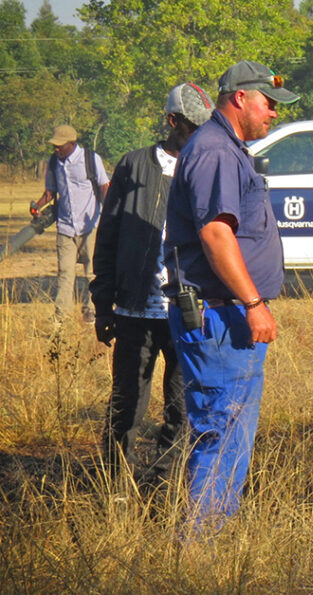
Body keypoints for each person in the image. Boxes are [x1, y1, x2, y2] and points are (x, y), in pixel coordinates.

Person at [163, 61, 298, 529]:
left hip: (227, 318)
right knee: (222, 431)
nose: (274, 114)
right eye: (268, 104)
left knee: (231, 430)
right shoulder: (217, 150)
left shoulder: (226, 147)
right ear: (240, 97)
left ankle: (211, 533)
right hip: (221, 317)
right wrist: (254, 304)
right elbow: (217, 235)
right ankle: (200, 544)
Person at [90, 83, 214, 485]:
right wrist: (103, 303)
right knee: (126, 405)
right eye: (191, 126)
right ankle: (115, 485)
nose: (198, 134)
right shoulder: (134, 165)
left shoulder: (208, 166)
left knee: (181, 407)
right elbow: (107, 236)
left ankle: (161, 486)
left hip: (186, 310)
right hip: (133, 309)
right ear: (172, 121)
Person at [33, 124, 109, 321]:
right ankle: (61, 315)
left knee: (91, 273)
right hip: (65, 227)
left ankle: (91, 309)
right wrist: (38, 206)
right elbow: (50, 192)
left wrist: (109, 214)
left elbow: (104, 187)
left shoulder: (91, 160)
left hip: (90, 226)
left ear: (72, 143)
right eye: (54, 146)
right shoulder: (54, 162)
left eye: (60, 145)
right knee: (65, 273)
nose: (56, 149)